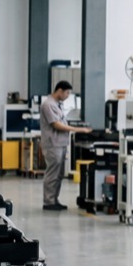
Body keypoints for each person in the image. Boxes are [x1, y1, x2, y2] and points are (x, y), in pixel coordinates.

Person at [38, 81, 92, 211]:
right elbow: (56, 125)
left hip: (60, 144)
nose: (68, 96)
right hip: (53, 144)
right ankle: (48, 202)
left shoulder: (57, 104)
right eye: (67, 93)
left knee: (59, 174)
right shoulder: (48, 104)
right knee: (52, 174)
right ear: (59, 91)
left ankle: (54, 200)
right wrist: (78, 130)